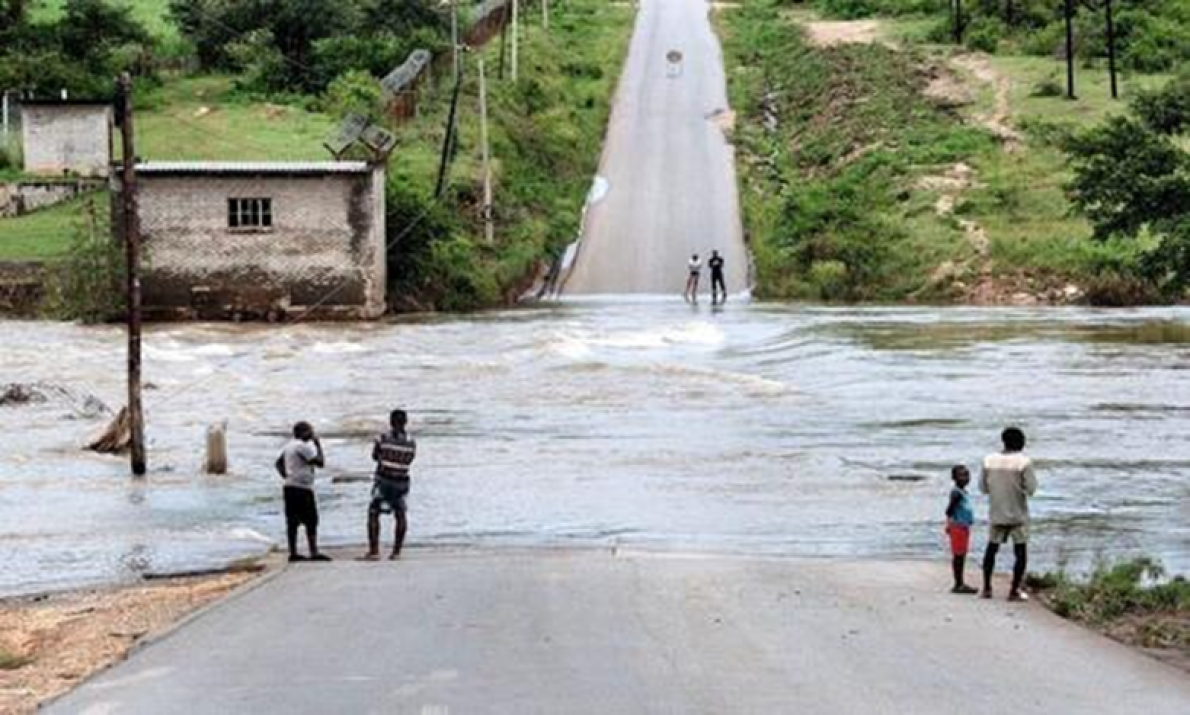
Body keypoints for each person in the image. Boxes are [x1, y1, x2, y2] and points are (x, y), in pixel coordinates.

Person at [980, 427, 1037, 602]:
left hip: (997, 512)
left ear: (1003, 441)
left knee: (991, 549)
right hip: (1017, 514)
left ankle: (987, 588)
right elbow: (1031, 489)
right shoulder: (1024, 462)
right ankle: (1013, 590)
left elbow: (983, 488)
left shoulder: (989, 460)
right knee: (1020, 552)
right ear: (1021, 443)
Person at [362, 409, 418, 561]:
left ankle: (374, 551)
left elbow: (375, 456)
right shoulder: (411, 441)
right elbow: (410, 459)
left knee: (374, 512)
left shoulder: (382, 438)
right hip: (402, 481)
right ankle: (396, 552)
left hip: (384, 480)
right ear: (405, 422)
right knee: (400, 514)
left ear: (391, 422)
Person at [275, 421, 329, 562]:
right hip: (302, 488)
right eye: (310, 431)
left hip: (290, 486)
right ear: (304, 432)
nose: (312, 433)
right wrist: (318, 444)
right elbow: (320, 462)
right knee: (311, 519)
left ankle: (293, 552)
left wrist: (287, 475)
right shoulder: (302, 446)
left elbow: (278, 463)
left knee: (292, 521)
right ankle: (314, 551)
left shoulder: (289, 446)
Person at [944, 465, 977, 594]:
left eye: (967, 475)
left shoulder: (962, 492)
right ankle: (958, 584)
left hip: (963, 527)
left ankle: (960, 583)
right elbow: (949, 510)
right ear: (954, 478)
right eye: (962, 475)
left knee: (961, 555)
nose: (965, 478)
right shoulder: (956, 493)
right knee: (958, 556)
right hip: (958, 527)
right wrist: (951, 523)